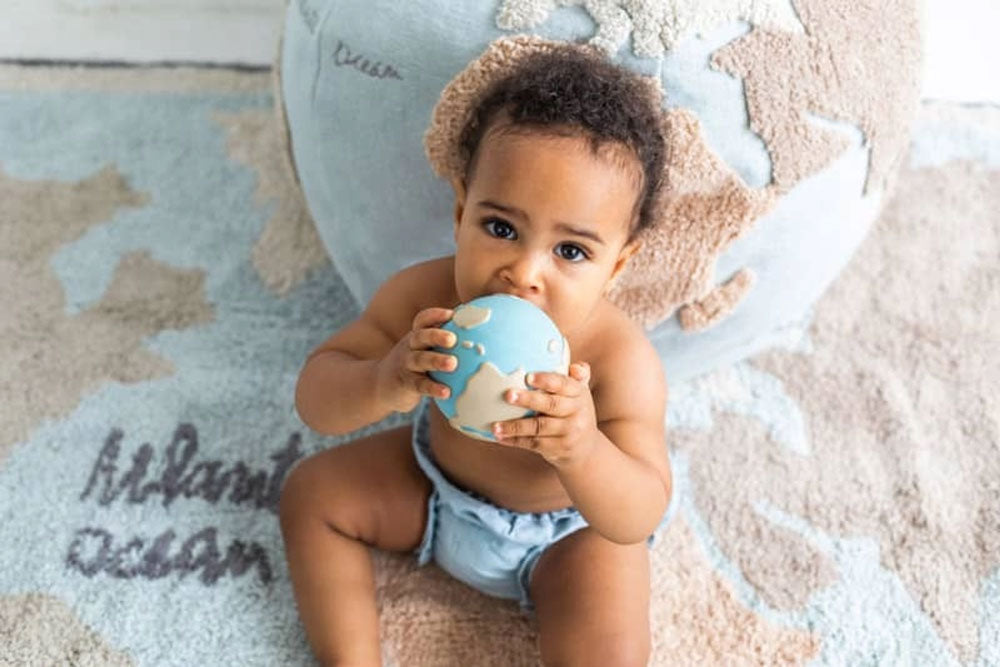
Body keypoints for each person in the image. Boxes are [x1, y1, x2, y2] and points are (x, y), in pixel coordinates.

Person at [280, 42, 675, 667]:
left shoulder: (620, 358)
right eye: (501, 229)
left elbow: (640, 510)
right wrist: (386, 380)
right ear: (462, 211)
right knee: (311, 492)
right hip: (432, 487)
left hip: (566, 540)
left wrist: (583, 448)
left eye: (570, 252)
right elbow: (317, 398)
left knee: (614, 640)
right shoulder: (423, 298)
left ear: (617, 265)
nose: (523, 273)